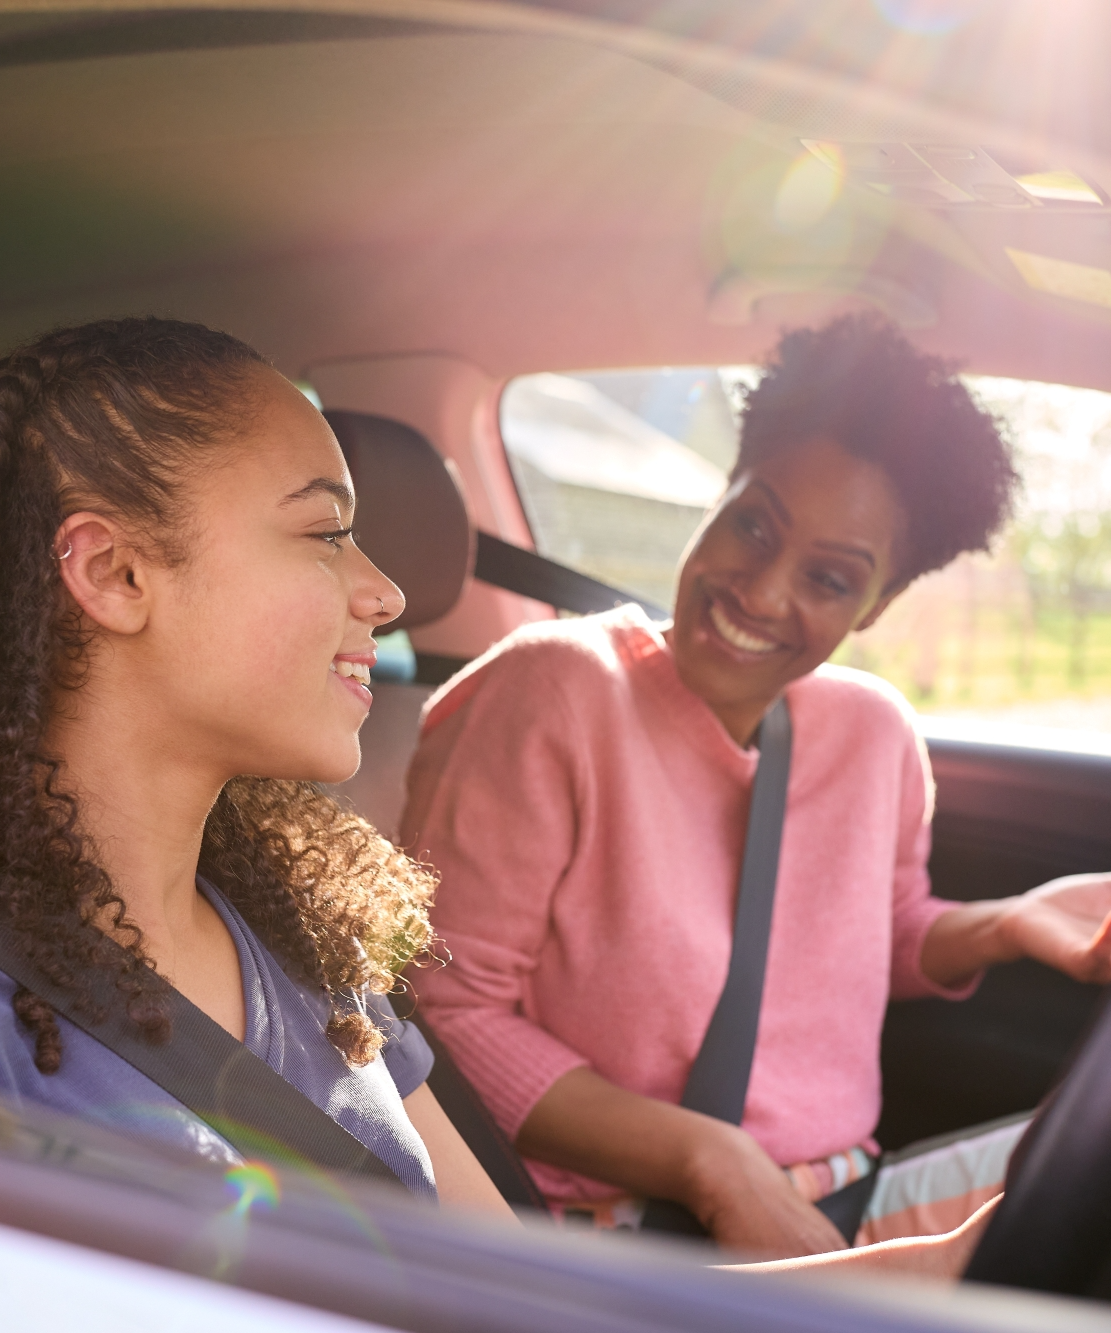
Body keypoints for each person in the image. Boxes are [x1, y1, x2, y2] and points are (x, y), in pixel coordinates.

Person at [0, 314, 999, 1283]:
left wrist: (918, 1271)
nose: (384, 592)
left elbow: (529, 1297)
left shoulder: (304, 945)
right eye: (323, 532)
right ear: (114, 571)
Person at [401, 314, 1111, 1259]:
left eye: (829, 576)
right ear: (721, 492)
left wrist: (1008, 921)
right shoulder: (552, 689)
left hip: (839, 1200)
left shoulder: (873, 729)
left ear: (878, 602)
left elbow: (878, 932)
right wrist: (709, 1161)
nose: (763, 592)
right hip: (618, 1231)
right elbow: (447, 1013)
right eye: (753, 523)